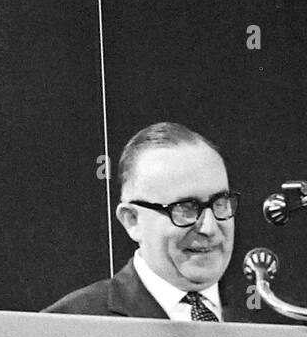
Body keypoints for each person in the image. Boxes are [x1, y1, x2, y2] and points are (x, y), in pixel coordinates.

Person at [45, 122, 252, 321]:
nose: (209, 227)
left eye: (220, 203)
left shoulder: (272, 316)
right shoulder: (68, 325)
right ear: (132, 220)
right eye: (185, 209)